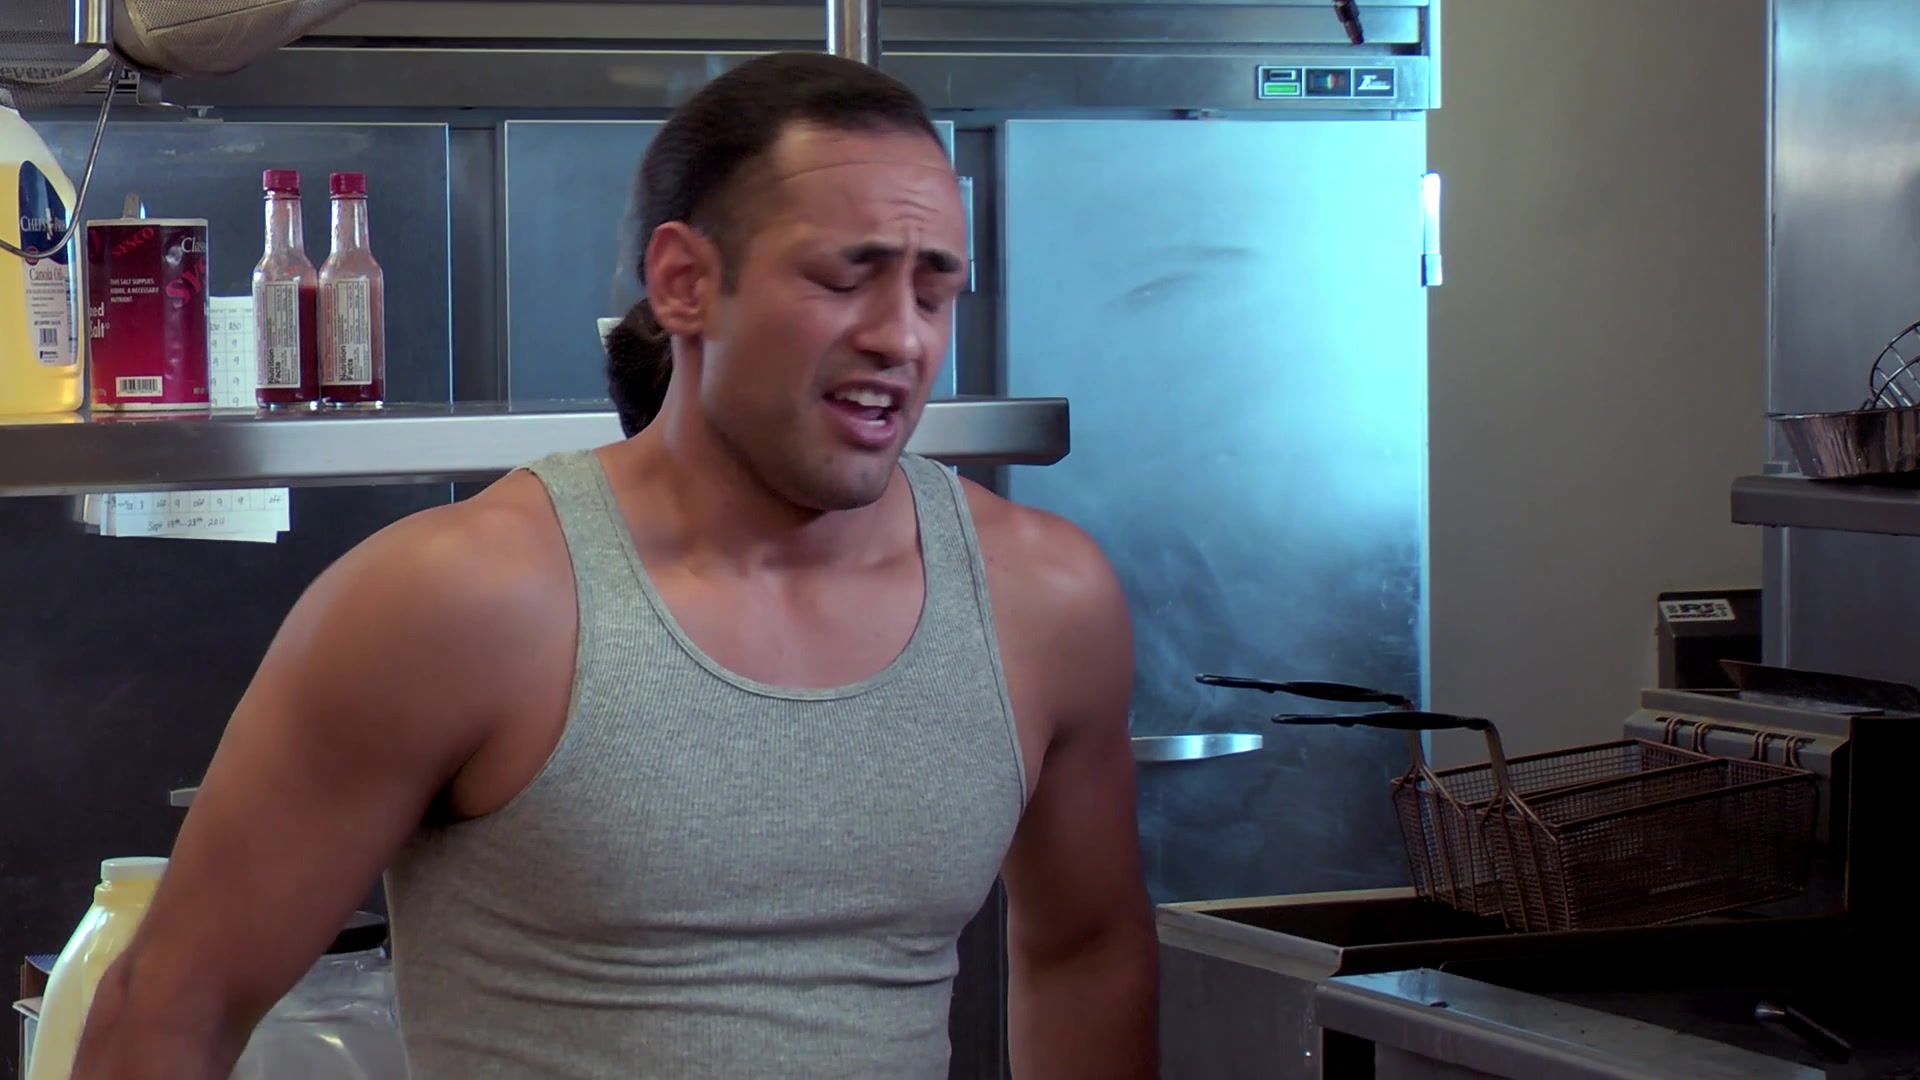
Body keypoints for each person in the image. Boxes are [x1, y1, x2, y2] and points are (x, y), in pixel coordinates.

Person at [70, 50, 1158, 1079]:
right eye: (845, 279)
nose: (903, 337)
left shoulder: (1039, 599)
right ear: (684, 282)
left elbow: (1087, 955)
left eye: (933, 291)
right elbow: (172, 1005)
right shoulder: (458, 600)